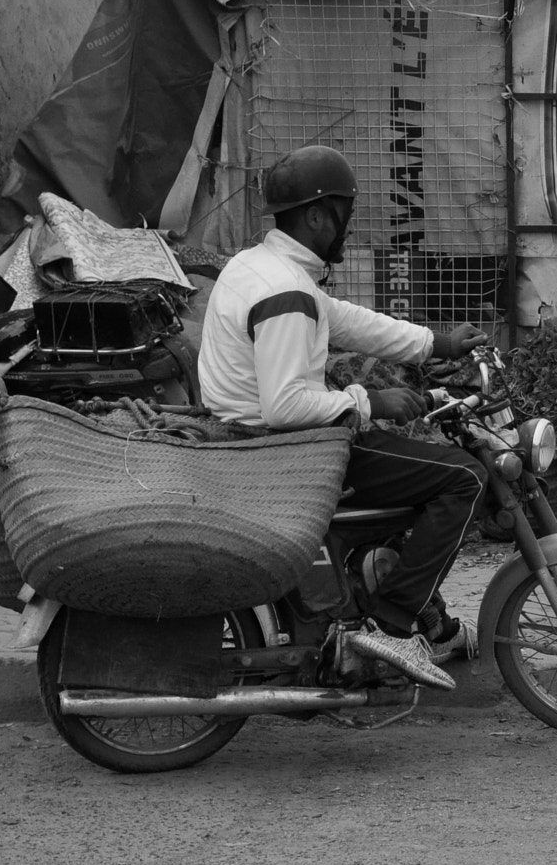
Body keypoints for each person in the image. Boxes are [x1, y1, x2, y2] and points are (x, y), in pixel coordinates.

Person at [198, 146, 490, 690]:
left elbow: (348, 321)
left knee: (420, 473)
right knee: (465, 477)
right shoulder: (285, 292)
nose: (349, 230)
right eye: (346, 216)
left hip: (259, 443)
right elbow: (284, 406)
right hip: (285, 450)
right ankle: (389, 626)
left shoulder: (263, 266)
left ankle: (411, 610)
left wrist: (436, 344)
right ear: (316, 216)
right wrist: (369, 402)